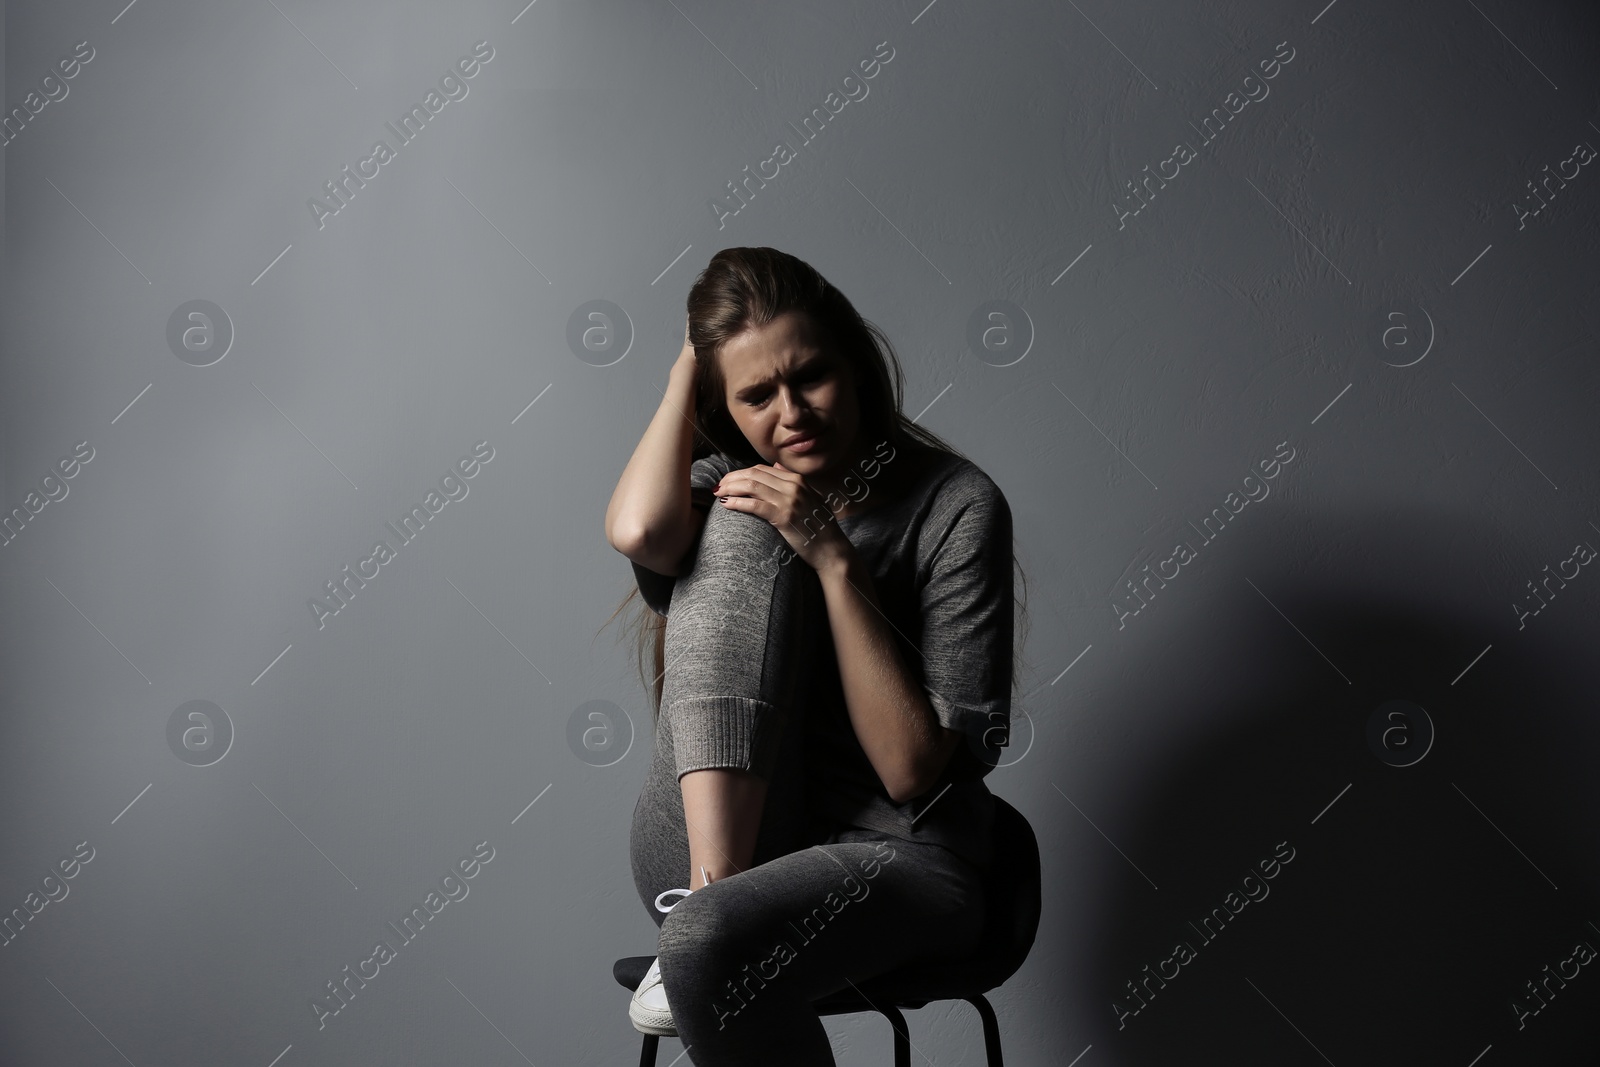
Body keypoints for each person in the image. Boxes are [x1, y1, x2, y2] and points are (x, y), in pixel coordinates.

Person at [601, 246, 1028, 1065]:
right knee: (737, 514)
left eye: (812, 376)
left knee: (700, 946)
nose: (791, 411)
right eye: (756, 394)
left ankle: (706, 920)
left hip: (899, 853)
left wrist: (832, 555)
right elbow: (641, 533)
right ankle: (713, 888)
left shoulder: (955, 504)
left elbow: (912, 771)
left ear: (857, 367)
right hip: (721, 844)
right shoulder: (734, 476)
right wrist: (682, 374)